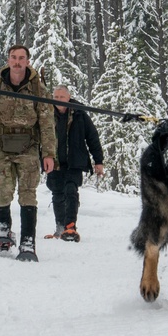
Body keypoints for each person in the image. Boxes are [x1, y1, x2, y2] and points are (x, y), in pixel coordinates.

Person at [0, 45, 56, 260]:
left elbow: (46, 124)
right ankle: (3, 232)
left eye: (21, 58)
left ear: (27, 61)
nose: (17, 62)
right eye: (13, 58)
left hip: (28, 147)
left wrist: (49, 154)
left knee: (28, 193)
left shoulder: (38, 89)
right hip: (2, 146)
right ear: (8, 60)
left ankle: (27, 242)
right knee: (1, 191)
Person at [44, 85, 104, 242]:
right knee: (57, 193)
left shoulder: (79, 114)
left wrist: (98, 161)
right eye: (56, 97)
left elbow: (92, 137)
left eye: (62, 97)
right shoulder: (46, 114)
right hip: (54, 161)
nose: (58, 100)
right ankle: (60, 227)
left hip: (74, 162)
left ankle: (70, 226)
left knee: (71, 190)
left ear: (69, 98)